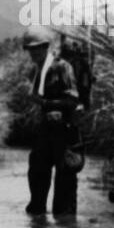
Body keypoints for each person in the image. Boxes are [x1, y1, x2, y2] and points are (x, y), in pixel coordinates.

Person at [22, 29, 82, 216]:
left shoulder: (62, 67)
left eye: (38, 49)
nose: (34, 53)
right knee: (37, 176)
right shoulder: (38, 70)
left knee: (65, 186)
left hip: (64, 131)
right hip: (45, 131)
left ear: (46, 48)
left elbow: (73, 100)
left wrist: (47, 103)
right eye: (30, 50)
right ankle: (38, 223)